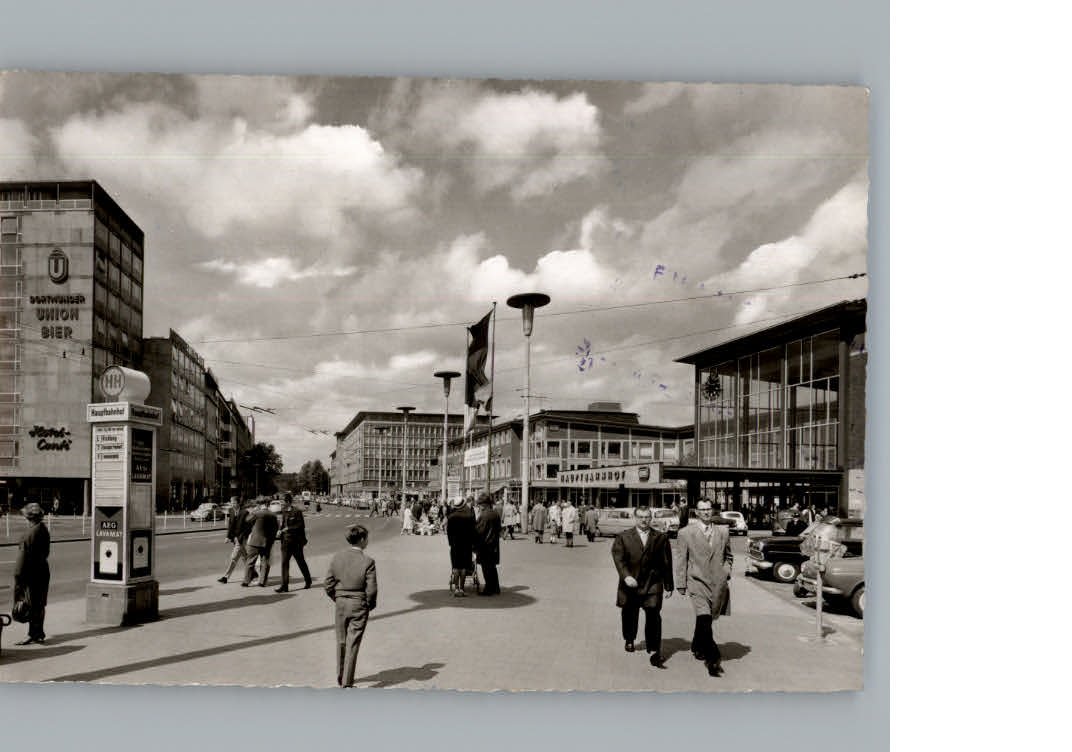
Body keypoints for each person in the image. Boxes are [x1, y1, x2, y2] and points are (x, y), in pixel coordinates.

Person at [674, 499, 733, 677]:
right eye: (702, 510)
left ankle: (696, 645)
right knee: (704, 617)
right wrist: (681, 583)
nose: (706, 512)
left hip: (717, 583)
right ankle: (712, 658)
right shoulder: (685, 533)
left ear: (712, 511)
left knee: (707, 618)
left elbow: (729, 556)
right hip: (697, 581)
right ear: (696, 513)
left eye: (709, 509)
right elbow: (681, 559)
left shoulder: (723, 531)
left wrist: (726, 571)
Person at [611, 505, 674, 668]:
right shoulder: (624, 537)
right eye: (640, 517)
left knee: (653, 613)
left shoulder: (660, 537)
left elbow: (666, 562)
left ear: (651, 518)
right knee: (630, 613)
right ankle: (630, 639)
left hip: (653, 583)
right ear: (635, 518)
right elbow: (619, 558)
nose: (644, 520)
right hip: (631, 583)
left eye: (647, 517)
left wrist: (669, 585)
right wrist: (626, 576)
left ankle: (653, 646)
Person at [324, 524, 378, 688]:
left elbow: (328, 584)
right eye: (366, 538)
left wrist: (338, 597)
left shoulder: (337, 557)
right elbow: (372, 589)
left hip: (340, 603)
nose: (367, 541)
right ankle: (347, 682)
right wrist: (369, 604)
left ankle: (340, 675)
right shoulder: (368, 561)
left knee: (341, 640)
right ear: (362, 540)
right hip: (359, 603)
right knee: (352, 642)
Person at [12, 503, 50, 645]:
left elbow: (21, 561)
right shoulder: (43, 529)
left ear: (28, 517)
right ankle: (39, 632)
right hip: (42, 570)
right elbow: (46, 552)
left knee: (30, 604)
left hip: (30, 573)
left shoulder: (28, 534)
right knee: (40, 604)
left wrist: (18, 577)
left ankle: (32, 634)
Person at [276, 493, 313, 592]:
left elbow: (300, 525)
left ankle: (308, 580)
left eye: (283, 502)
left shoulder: (296, 511)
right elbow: (283, 523)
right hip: (285, 542)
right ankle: (284, 586)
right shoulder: (284, 511)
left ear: (288, 502)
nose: (281, 504)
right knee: (284, 563)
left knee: (301, 562)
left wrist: (288, 528)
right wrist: (280, 530)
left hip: (296, 542)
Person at [242, 498, 279, 587]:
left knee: (250, 561)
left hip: (255, 541)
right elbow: (276, 528)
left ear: (260, 504)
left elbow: (247, 520)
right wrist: (271, 539)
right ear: (268, 504)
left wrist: (253, 511)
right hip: (267, 541)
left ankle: (246, 581)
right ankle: (262, 581)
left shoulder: (257, 513)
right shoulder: (273, 515)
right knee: (265, 561)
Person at [446, 497, 476, 597]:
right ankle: (462, 589)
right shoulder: (470, 516)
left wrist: (451, 543)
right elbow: (473, 532)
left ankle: (456, 589)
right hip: (466, 545)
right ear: (463, 504)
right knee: (463, 567)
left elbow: (449, 533)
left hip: (455, 545)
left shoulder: (451, 517)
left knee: (455, 567)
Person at [473, 492, 502, 595]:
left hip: (485, 545)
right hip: (494, 544)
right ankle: (496, 587)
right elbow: (499, 529)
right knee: (492, 567)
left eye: (479, 504)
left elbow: (478, 531)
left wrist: (474, 545)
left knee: (486, 568)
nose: (479, 507)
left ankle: (488, 589)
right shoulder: (495, 514)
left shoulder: (483, 516)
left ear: (483, 504)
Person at [218, 497, 251, 583]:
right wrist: (228, 536)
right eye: (231, 502)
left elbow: (247, 528)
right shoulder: (231, 511)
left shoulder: (245, 512)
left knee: (234, 557)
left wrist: (240, 537)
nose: (232, 504)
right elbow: (230, 525)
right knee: (244, 557)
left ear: (238, 503)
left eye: (233, 503)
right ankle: (253, 572)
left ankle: (226, 577)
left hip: (241, 538)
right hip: (235, 538)